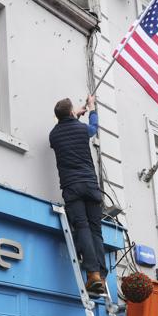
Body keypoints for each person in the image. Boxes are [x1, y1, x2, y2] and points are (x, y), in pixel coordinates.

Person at [49, 95, 107, 295]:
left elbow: (66, 131)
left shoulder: (54, 135)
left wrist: (74, 116)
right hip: (90, 186)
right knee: (95, 230)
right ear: (71, 112)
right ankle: (101, 273)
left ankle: (93, 275)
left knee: (82, 227)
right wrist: (91, 109)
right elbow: (92, 128)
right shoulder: (82, 130)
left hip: (72, 188)